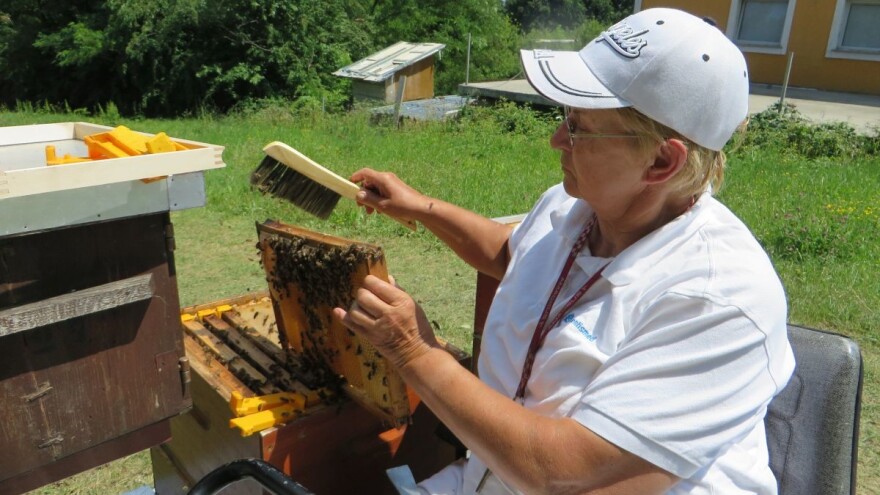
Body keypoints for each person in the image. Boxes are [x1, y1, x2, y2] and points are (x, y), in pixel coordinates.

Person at [333, 7, 795, 495]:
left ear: (661, 161)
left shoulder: (720, 298)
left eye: (578, 128)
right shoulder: (580, 206)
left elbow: (562, 475)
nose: (557, 139)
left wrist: (414, 351)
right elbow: (514, 256)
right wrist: (419, 206)